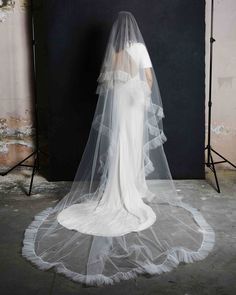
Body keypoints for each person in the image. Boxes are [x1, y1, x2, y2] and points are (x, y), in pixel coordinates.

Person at [22, 11, 215, 286]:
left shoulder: (114, 51)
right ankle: (132, 189)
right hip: (134, 104)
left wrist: (125, 88)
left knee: (118, 144)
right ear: (134, 31)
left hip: (119, 104)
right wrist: (144, 96)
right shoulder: (139, 48)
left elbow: (108, 83)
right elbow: (148, 78)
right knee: (132, 146)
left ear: (118, 33)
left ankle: (117, 186)